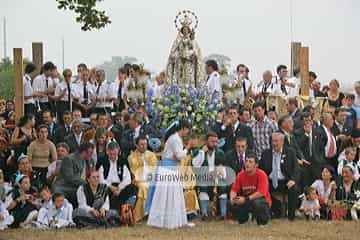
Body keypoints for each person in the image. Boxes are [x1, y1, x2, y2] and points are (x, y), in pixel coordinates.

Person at [146, 120, 194, 229]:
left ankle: (172, 220)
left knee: (171, 196)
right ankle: (164, 221)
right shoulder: (175, 139)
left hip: (170, 168)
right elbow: (179, 156)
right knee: (167, 196)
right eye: (187, 130)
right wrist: (188, 148)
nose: (187, 133)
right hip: (168, 169)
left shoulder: (174, 138)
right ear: (183, 128)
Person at [259, 132, 300, 221]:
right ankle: (267, 214)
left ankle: (291, 217)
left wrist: (293, 180)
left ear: (282, 141)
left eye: (276, 141)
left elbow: (297, 169)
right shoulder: (266, 153)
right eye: (273, 141)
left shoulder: (290, 152)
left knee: (294, 188)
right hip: (269, 182)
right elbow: (260, 170)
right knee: (260, 190)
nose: (274, 143)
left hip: (285, 182)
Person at [192, 132, 227, 220]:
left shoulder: (220, 153)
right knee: (203, 185)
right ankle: (204, 214)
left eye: (216, 142)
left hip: (216, 178)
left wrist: (219, 172)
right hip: (203, 177)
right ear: (206, 141)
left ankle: (223, 214)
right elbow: (195, 165)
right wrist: (202, 152)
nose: (214, 144)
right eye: (212, 141)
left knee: (223, 186)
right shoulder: (198, 151)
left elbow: (223, 170)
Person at [229, 154, 271, 225]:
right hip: (247, 200)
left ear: (256, 165)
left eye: (250, 162)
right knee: (231, 203)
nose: (247, 164)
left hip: (261, 200)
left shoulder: (261, 174)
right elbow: (234, 190)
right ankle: (243, 220)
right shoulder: (240, 175)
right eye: (246, 161)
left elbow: (261, 193)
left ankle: (263, 221)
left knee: (257, 203)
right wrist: (232, 199)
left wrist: (245, 199)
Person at [97, 142, 137, 212]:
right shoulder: (102, 161)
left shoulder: (123, 160)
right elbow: (100, 179)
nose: (112, 156)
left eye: (114, 154)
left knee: (133, 188)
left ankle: (126, 210)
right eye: (110, 154)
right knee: (101, 189)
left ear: (118, 151)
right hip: (107, 187)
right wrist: (110, 187)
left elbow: (127, 179)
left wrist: (119, 188)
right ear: (107, 152)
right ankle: (110, 209)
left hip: (120, 186)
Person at [165, 16, 203, 88]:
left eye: (187, 29)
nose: (185, 31)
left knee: (189, 82)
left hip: (189, 65)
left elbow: (196, 52)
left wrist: (191, 55)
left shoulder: (193, 41)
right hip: (179, 64)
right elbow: (172, 53)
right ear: (182, 30)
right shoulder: (178, 41)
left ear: (189, 30)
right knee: (180, 81)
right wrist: (179, 55)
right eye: (184, 29)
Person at [128, 135, 158, 222]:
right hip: (139, 180)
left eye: (145, 144)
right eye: (141, 144)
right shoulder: (131, 157)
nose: (144, 146)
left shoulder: (151, 155)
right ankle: (144, 213)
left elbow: (155, 169)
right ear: (136, 145)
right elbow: (135, 172)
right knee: (143, 187)